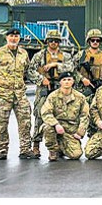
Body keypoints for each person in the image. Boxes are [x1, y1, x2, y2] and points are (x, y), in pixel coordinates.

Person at [0, 27, 45, 160]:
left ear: (19, 38)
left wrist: (40, 79)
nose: (13, 38)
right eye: (11, 36)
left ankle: (25, 149)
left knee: (25, 122)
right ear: (7, 38)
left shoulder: (23, 53)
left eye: (16, 36)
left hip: (20, 94)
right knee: (2, 124)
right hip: (3, 95)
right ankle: (3, 150)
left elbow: (27, 71)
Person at [29, 29, 73, 158]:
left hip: (60, 89)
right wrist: (41, 79)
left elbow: (70, 68)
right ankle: (36, 145)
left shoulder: (65, 56)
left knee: (60, 116)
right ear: (47, 42)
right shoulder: (39, 56)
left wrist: (56, 64)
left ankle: (58, 147)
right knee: (39, 115)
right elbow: (30, 70)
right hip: (44, 88)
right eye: (51, 41)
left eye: (56, 41)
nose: (53, 43)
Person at [40, 71, 89, 161]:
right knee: (47, 127)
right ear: (60, 82)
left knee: (76, 155)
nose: (67, 82)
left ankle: (62, 147)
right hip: (56, 128)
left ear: (73, 81)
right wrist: (56, 124)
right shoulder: (53, 96)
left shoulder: (80, 97)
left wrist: (80, 133)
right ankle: (53, 151)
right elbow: (46, 112)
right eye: (64, 80)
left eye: (69, 80)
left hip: (70, 131)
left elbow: (85, 116)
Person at [73, 28, 102, 102]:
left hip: (101, 88)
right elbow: (72, 70)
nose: (95, 42)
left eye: (97, 40)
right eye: (92, 40)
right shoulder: (81, 55)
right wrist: (82, 79)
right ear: (88, 41)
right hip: (84, 88)